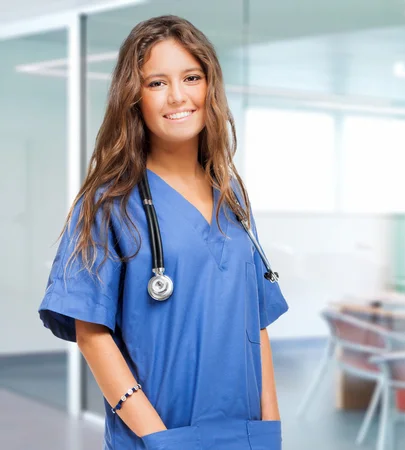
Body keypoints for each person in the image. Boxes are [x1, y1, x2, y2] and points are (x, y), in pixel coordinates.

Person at [38, 15, 289, 450]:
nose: (178, 96)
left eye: (191, 77)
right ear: (133, 97)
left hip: (247, 434)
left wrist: (272, 427)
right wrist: (158, 437)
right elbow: (91, 334)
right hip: (159, 437)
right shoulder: (108, 202)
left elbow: (256, 322)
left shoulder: (231, 195)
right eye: (157, 83)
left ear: (210, 86)